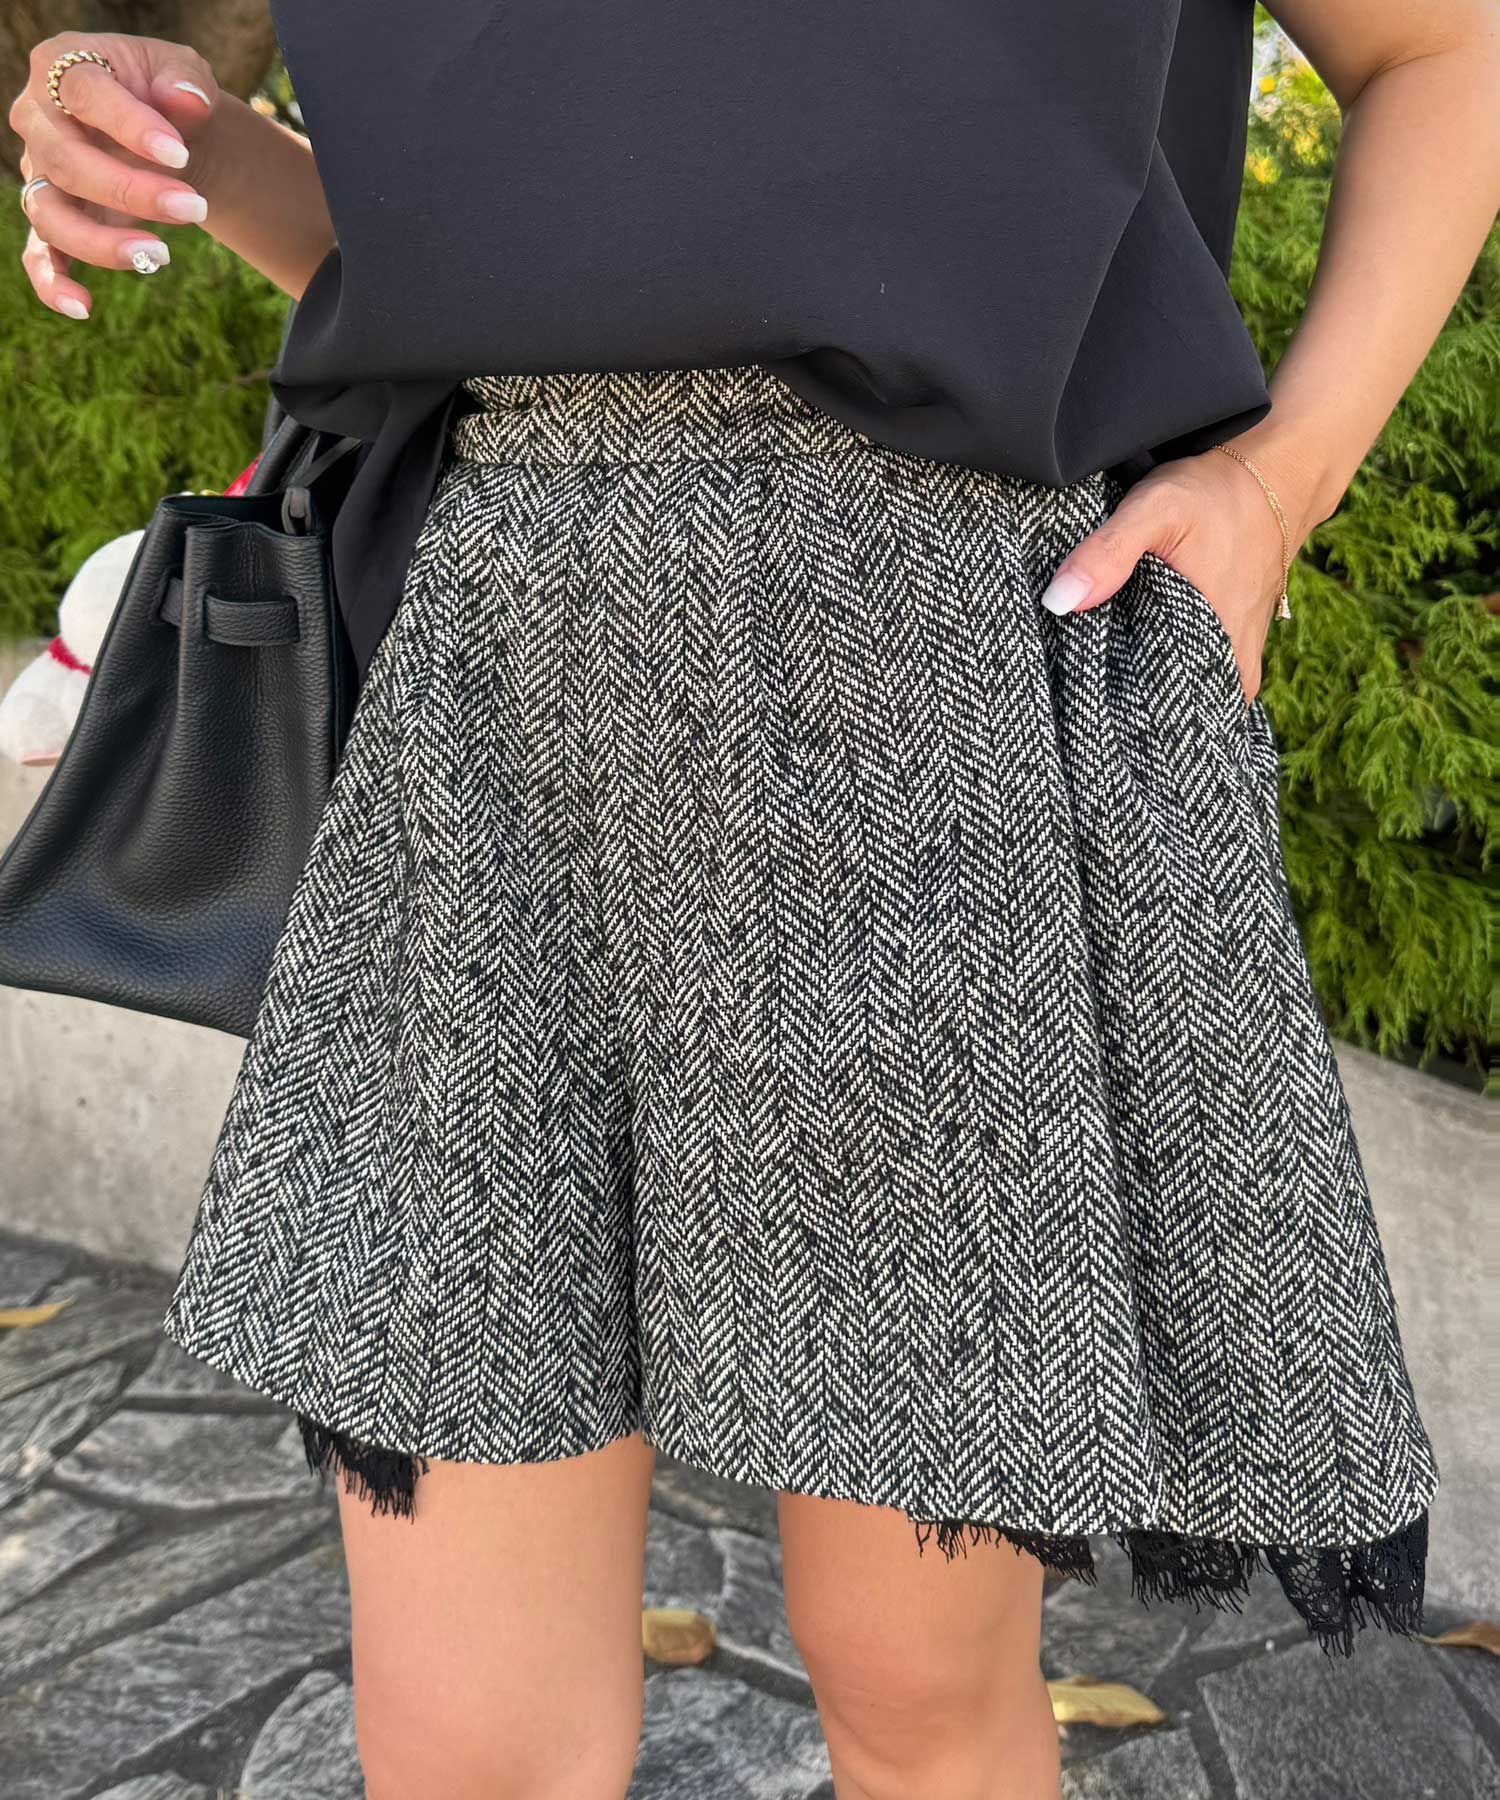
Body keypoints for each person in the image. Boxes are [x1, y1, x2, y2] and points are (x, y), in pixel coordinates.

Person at [10, 5, 1497, 1795]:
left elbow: (1448, 49)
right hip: (496, 681)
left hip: (933, 691)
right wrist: (183, 140)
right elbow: (484, 259)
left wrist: (1277, 480)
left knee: (914, 1683)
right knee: (466, 1730)